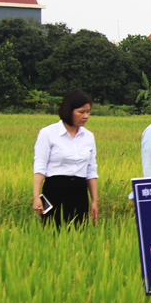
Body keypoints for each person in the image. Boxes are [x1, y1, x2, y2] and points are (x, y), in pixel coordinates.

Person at [32, 90, 98, 227]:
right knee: (52, 233)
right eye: (81, 112)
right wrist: (36, 196)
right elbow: (40, 165)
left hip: (80, 191)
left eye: (88, 112)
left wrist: (94, 201)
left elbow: (91, 170)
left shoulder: (89, 136)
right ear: (69, 111)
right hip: (54, 191)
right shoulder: (48, 133)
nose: (86, 116)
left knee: (79, 235)